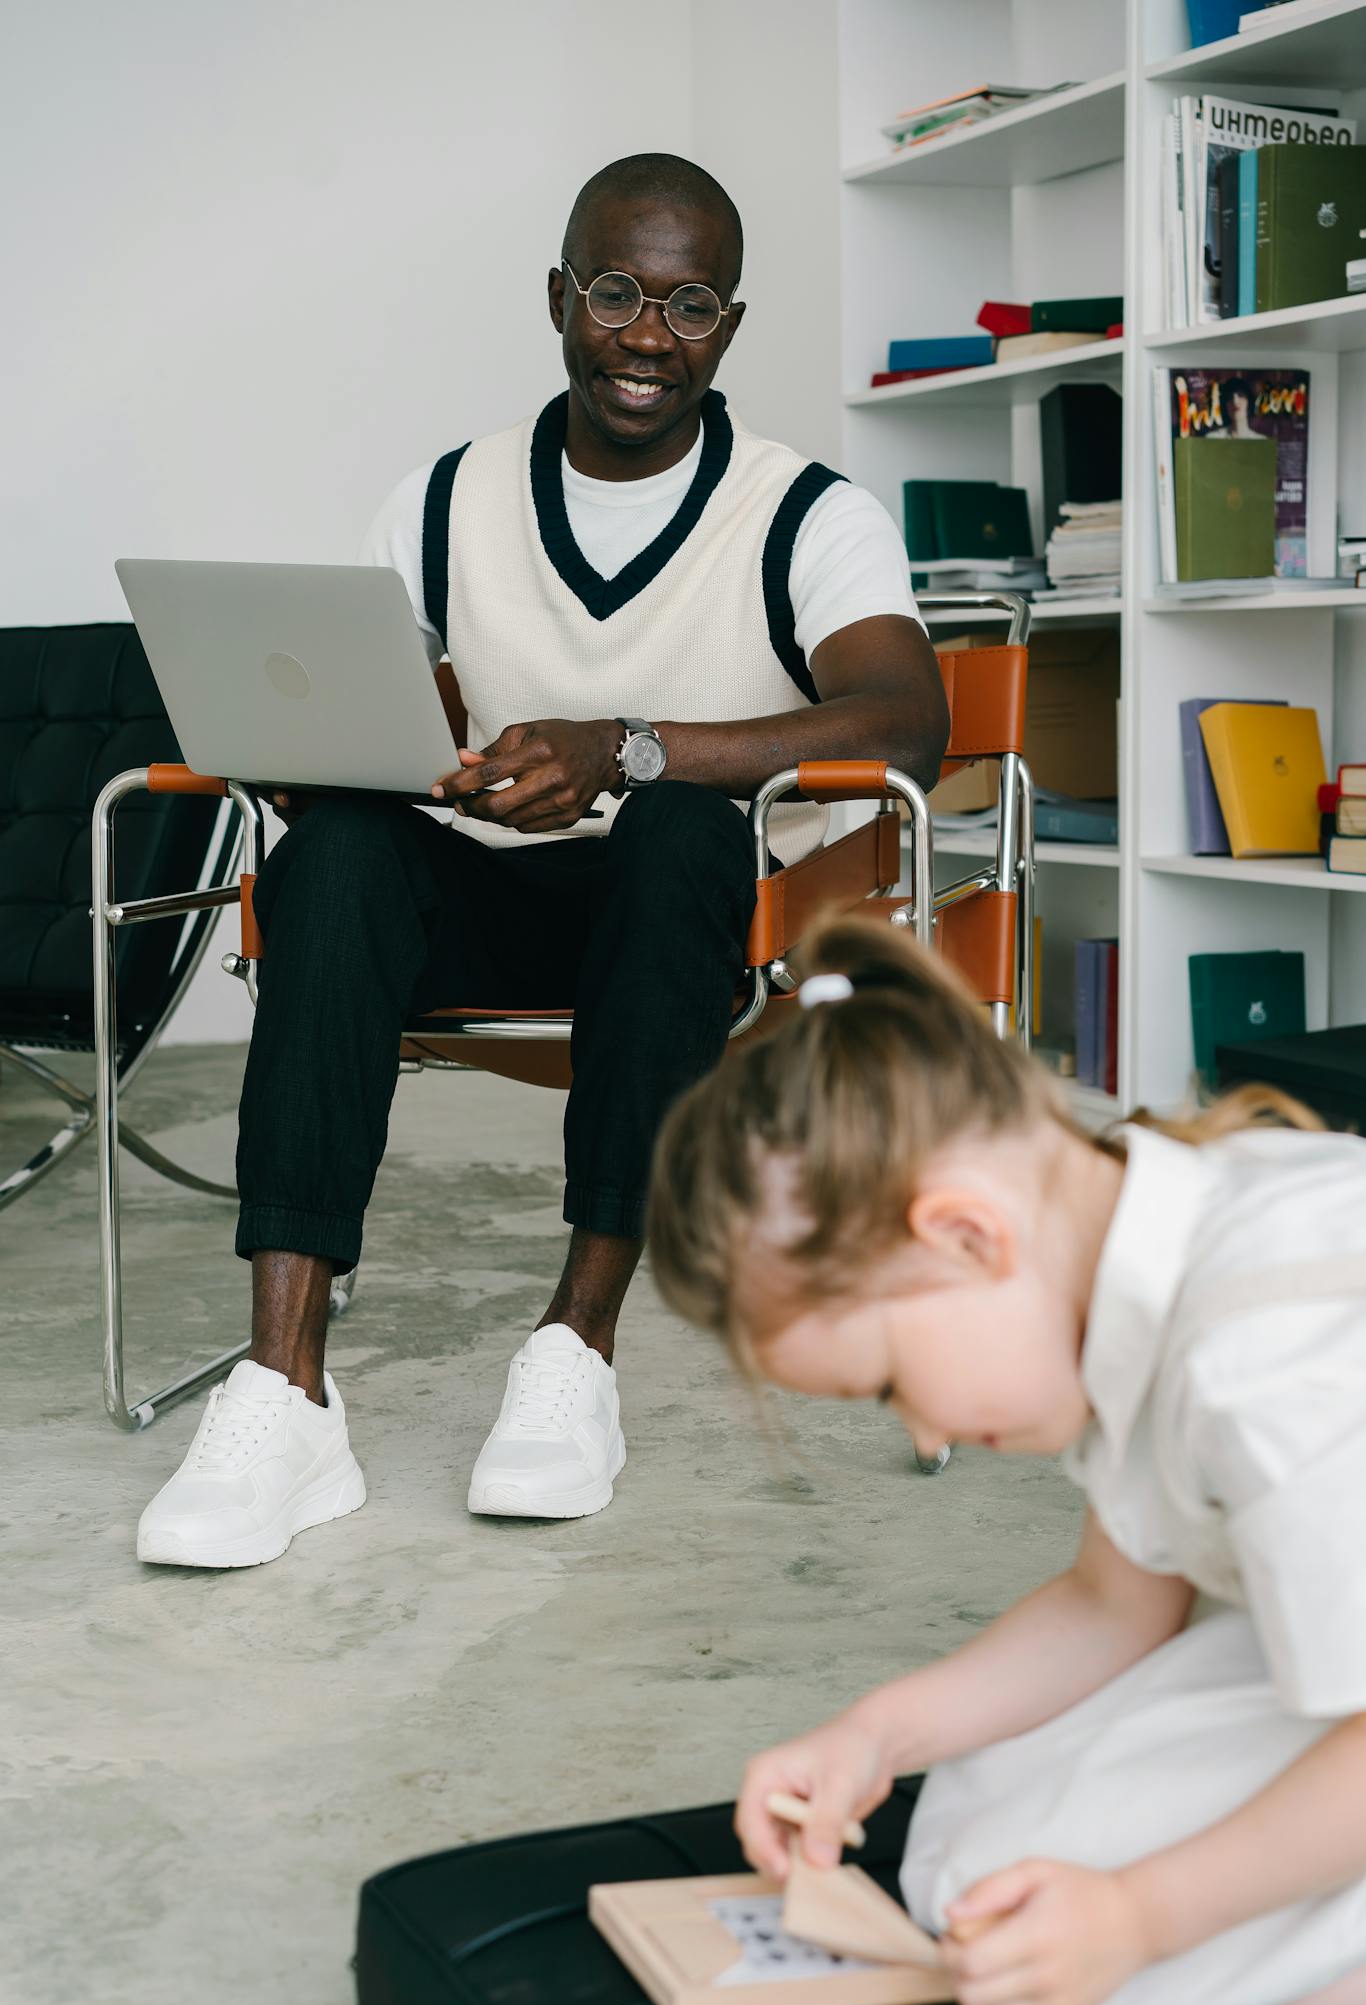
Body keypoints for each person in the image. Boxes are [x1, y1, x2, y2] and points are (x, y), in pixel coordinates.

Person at [135, 154, 948, 1568]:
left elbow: (906, 724)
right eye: (618, 294)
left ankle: (576, 1347)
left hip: (691, 928)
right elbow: (391, 709)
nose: (647, 336)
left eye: (689, 303)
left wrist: (626, 748)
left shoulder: (806, 512)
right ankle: (285, 1386)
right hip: (486, 898)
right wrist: (352, 754)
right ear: (560, 299)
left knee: (683, 826)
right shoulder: (442, 501)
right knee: (332, 852)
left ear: (730, 326)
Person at [646, 915, 1366, 2005]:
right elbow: (1115, 1600)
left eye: (889, 1381)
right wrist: (873, 1736)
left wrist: (1138, 1916)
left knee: (1100, 1934)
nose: (924, 1427)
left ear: (967, 1235)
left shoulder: (1262, 1359)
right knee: (981, 1859)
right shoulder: (1119, 1260)